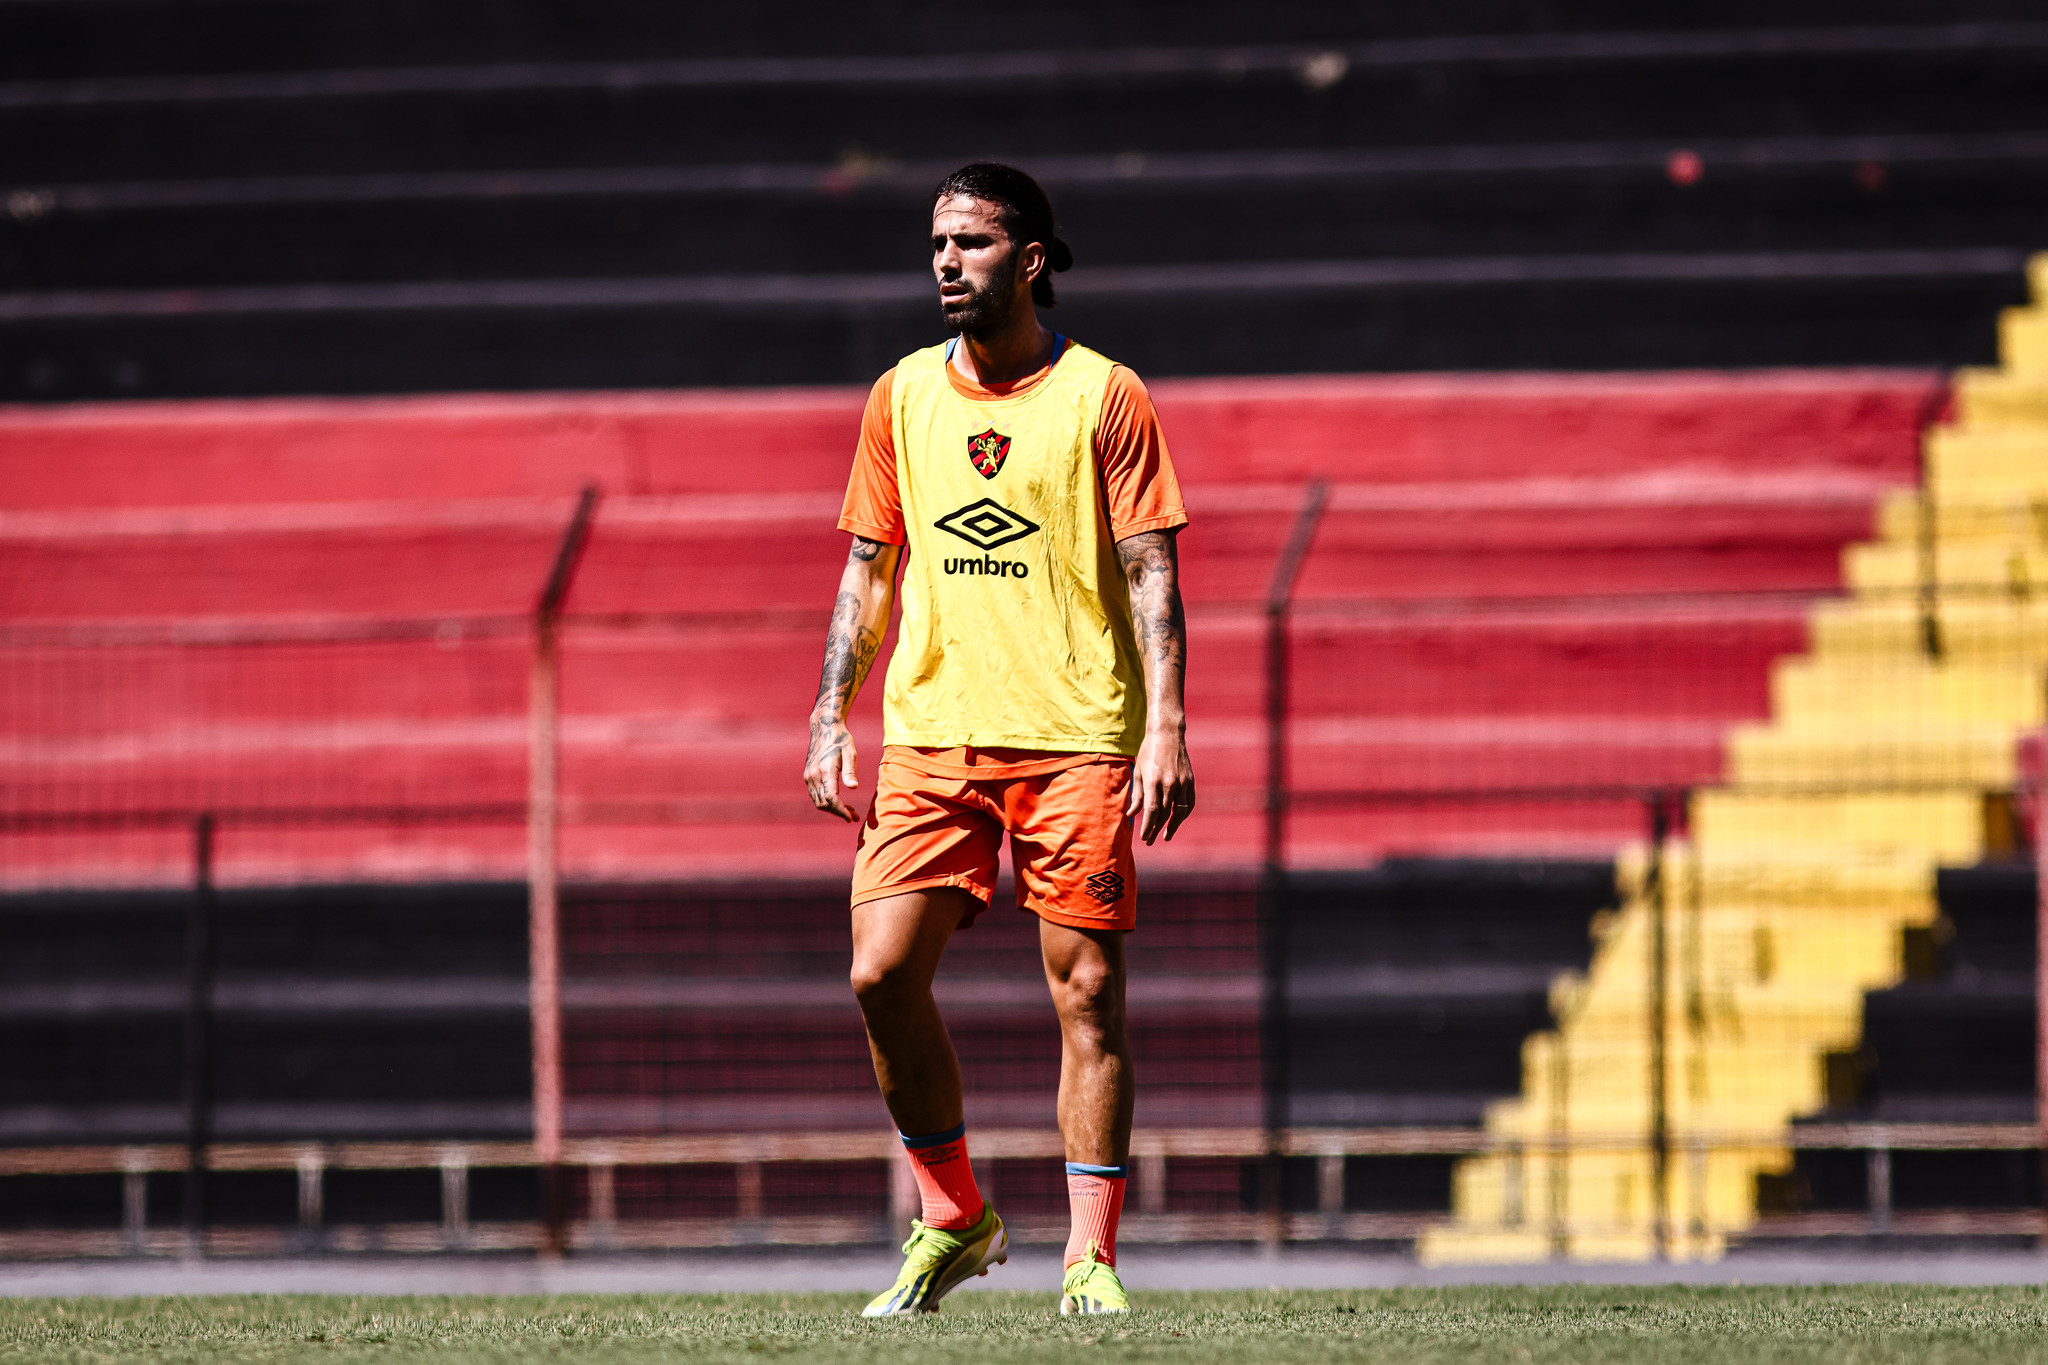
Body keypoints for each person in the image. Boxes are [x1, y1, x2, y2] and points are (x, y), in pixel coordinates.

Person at [804, 162, 1195, 1318]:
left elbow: (1149, 570)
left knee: (1084, 997)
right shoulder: (900, 397)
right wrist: (832, 710)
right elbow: (868, 568)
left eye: (969, 244)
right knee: (879, 977)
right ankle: (954, 1214)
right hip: (931, 738)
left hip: (1075, 737)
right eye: (934, 242)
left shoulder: (1104, 395)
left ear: (1027, 261)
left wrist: (1165, 724)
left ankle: (1089, 1261)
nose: (943, 262)